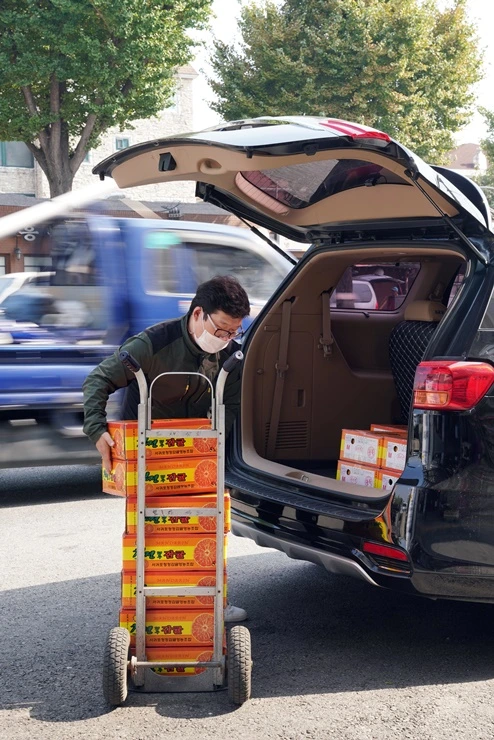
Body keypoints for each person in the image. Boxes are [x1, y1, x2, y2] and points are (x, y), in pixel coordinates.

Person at [82, 274, 251, 622]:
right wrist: (97, 429)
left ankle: (211, 603)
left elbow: (231, 408)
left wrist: (215, 444)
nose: (226, 339)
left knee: (205, 527)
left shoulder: (230, 356)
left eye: (233, 332)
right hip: (150, 450)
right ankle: (149, 606)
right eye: (221, 329)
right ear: (198, 314)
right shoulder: (154, 343)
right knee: (155, 531)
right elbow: (99, 379)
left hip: (199, 453)